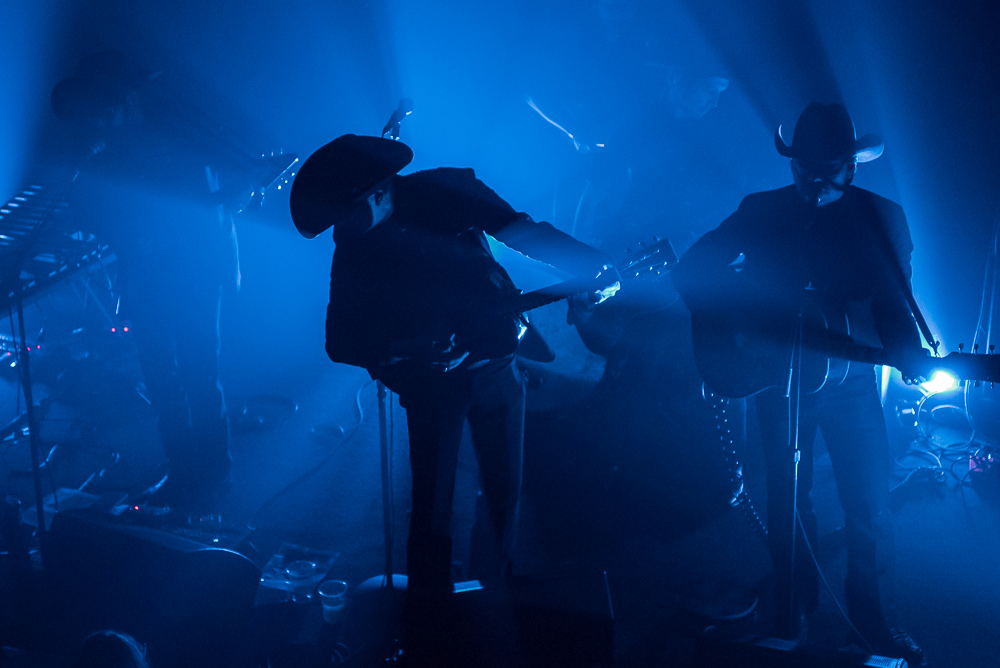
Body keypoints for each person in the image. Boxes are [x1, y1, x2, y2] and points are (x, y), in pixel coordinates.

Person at [289, 133, 618, 663]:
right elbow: (338, 340)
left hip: (496, 364)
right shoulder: (353, 245)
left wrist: (588, 261)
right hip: (430, 386)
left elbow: (521, 231)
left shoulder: (447, 191)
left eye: (346, 215)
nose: (341, 232)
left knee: (503, 489)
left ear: (377, 192)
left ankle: (497, 601)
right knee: (432, 510)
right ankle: (428, 631)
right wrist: (402, 347)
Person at [671, 103, 927, 666]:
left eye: (825, 165)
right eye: (802, 164)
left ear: (851, 165)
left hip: (850, 380)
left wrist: (908, 352)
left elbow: (894, 303)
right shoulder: (762, 211)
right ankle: (794, 604)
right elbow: (691, 268)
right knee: (788, 497)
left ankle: (873, 622)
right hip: (777, 378)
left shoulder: (881, 218)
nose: (810, 175)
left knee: (869, 503)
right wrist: (737, 326)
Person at [49, 51, 249, 510]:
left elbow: (209, 199)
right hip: (147, 275)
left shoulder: (166, 126)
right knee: (162, 377)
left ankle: (215, 474)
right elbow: (89, 205)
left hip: (194, 267)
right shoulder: (96, 141)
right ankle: (183, 471)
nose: (97, 119)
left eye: (98, 110)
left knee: (199, 373)